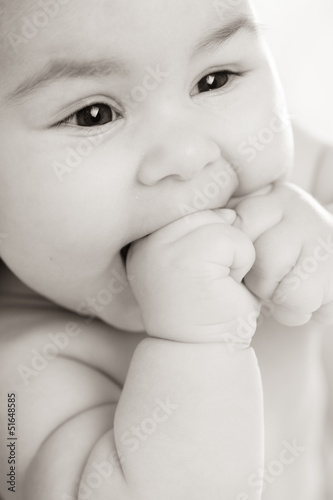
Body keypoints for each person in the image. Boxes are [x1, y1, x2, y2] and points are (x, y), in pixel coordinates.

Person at [0, 0, 332, 498]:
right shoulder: (22, 379)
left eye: (215, 79)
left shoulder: (290, 180)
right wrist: (199, 342)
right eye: (94, 114)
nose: (188, 155)